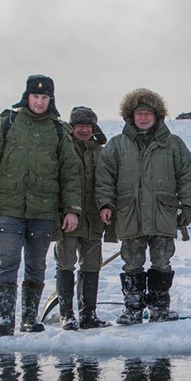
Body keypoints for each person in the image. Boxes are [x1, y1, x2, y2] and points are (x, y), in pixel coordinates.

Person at [0, 75, 82, 336]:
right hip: (10, 209)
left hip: (43, 212)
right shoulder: (8, 123)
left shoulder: (58, 130)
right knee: (7, 262)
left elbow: (70, 173)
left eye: (45, 98)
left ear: (50, 100)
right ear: (27, 96)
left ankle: (30, 319)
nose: (40, 102)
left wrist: (72, 209)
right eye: (36, 97)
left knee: (36, 266)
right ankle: (5, 320)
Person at [96, 88, 191, 325]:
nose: (143, 118)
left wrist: (188, 206)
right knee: (132, 262)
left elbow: (188, 175)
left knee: (162, 261)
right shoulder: (117, 145)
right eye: (138, 114)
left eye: (147, 113)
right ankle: (132, 308)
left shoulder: (173, 144)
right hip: (129, 213)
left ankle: (160, 308)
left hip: (163, 212)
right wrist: (105, 203)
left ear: (157, 116)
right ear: (131, 117)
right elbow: (104, 177)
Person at [51, 106, 113, 330]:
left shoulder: (100, 151)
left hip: (93, 219)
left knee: (91, 266)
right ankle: (66, 314)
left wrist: (106, 205)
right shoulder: (62, 148)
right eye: (80, 126)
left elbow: (106, 182)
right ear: (72, 127)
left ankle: (88, 314)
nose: (85, 130)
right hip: (68, 219)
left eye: (88, 126)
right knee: (65, 264)